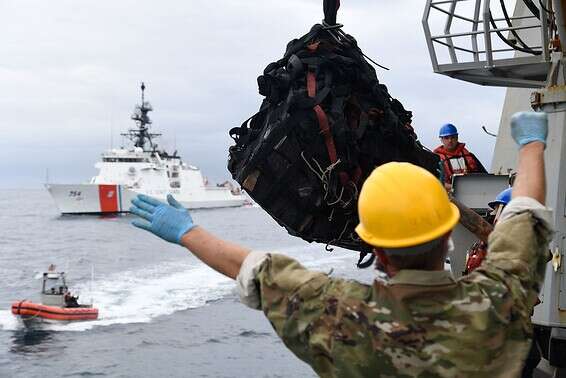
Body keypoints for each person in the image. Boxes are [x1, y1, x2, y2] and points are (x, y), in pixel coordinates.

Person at [130, 112, 552, 377]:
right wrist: (532, 144)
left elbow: (255, 268)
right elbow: (525, 212)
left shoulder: (337, 313)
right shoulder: (501, 296)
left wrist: (187, 231)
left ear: (376, 251)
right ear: (446, 237)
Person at [434, 123, 487, 191]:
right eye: (446, 138)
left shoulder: (469, 156)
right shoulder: (436, 159)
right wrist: (453, 187)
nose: (450, 141)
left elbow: (484, 176)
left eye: (452, 137)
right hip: (448, 196)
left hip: (472, 192)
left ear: (457, 137)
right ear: (441, 139)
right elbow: (435, 182)